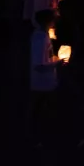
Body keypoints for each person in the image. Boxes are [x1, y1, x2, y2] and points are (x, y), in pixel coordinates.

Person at [29, 9, 62, 143]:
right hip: (42, 83)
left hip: (46, 83)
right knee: (40, 111)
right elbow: (39, 65)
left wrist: (54, 58)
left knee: (41, 109)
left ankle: (40, 137)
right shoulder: (40, 39)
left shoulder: (43, 36)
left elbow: (44, 58)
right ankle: (37, 138)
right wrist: (56, 63)